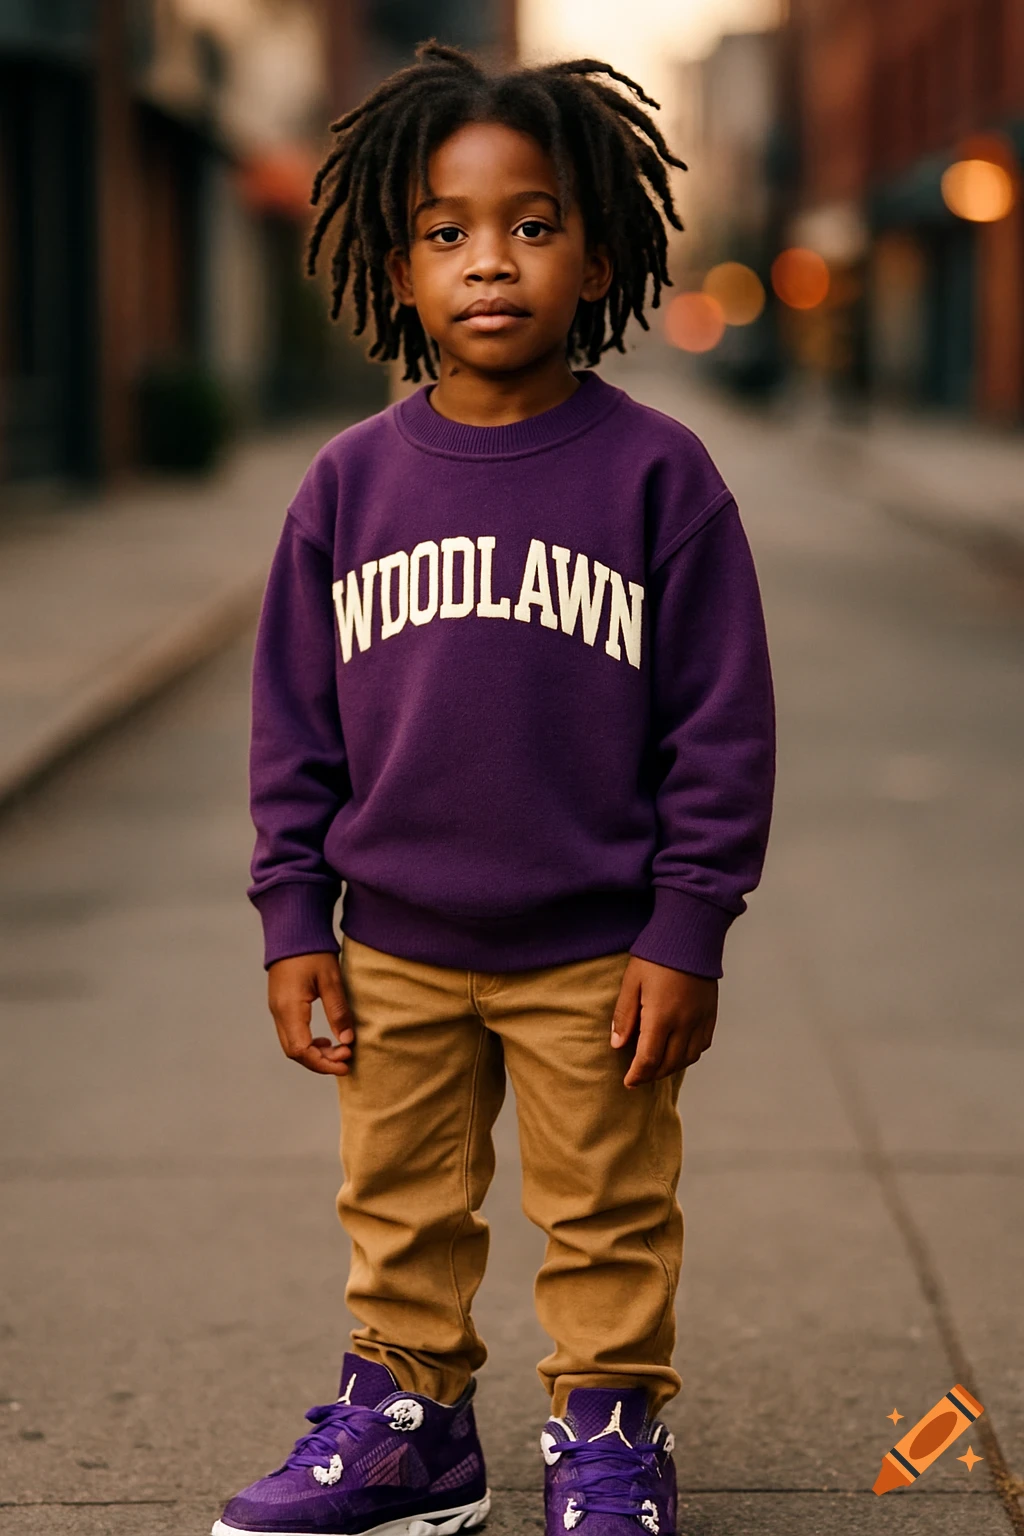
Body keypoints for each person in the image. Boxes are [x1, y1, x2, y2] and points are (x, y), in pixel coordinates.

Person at [213, 41, 774, 1536]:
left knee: (606, 1213)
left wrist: (687, 927)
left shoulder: (661, 478)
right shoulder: (347, 483)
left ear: (599, 256)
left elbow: (721, 727)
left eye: (532, 226)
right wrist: (291, 916)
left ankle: (604, 1436)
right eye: (448, 232)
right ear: (395, 269)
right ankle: (411, 1435)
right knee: (399, 1212)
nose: (490, 263)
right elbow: (293, 721)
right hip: (392, 937)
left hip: (595, 948)